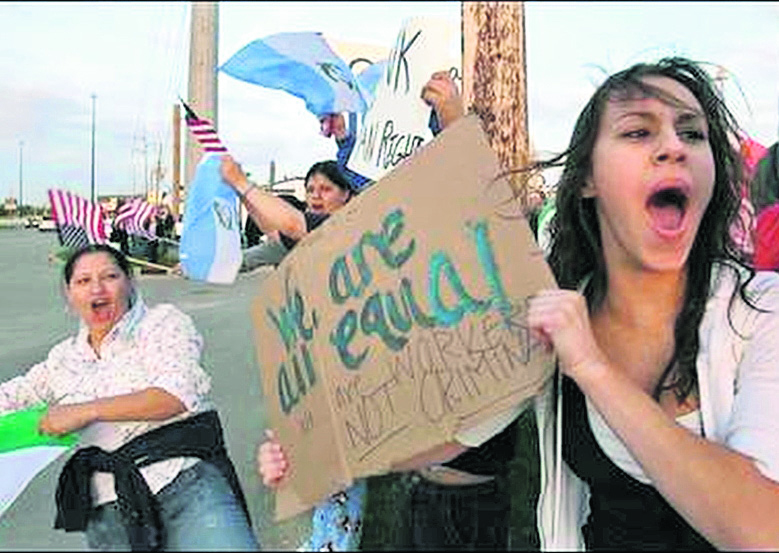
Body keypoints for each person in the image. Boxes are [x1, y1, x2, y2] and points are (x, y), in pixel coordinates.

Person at [256, 71, 524, 552]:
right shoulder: (382, 280)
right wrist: (300, 451)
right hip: (411, 490)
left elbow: (472, 185)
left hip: (472, 493)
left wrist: (453, 117)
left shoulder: (476, 261)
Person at [523, 57, 779, 550]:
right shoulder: (557, 315)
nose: (673, 147)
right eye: (638, 132)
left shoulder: (763, 311)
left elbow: (764, 531)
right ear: (587, 178)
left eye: (693, 133)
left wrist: (593, 369)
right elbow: (439, 432)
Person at [0, 244, 259, 551]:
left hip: (186, 485)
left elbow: (176, 394)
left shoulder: (162, 324)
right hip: (111, 509)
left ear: (129, 281)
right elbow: (11, 398)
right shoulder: (62, 359)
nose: (97, 288)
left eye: (109, 276)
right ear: (69, 294)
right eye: (83, 281)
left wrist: (85, 411)